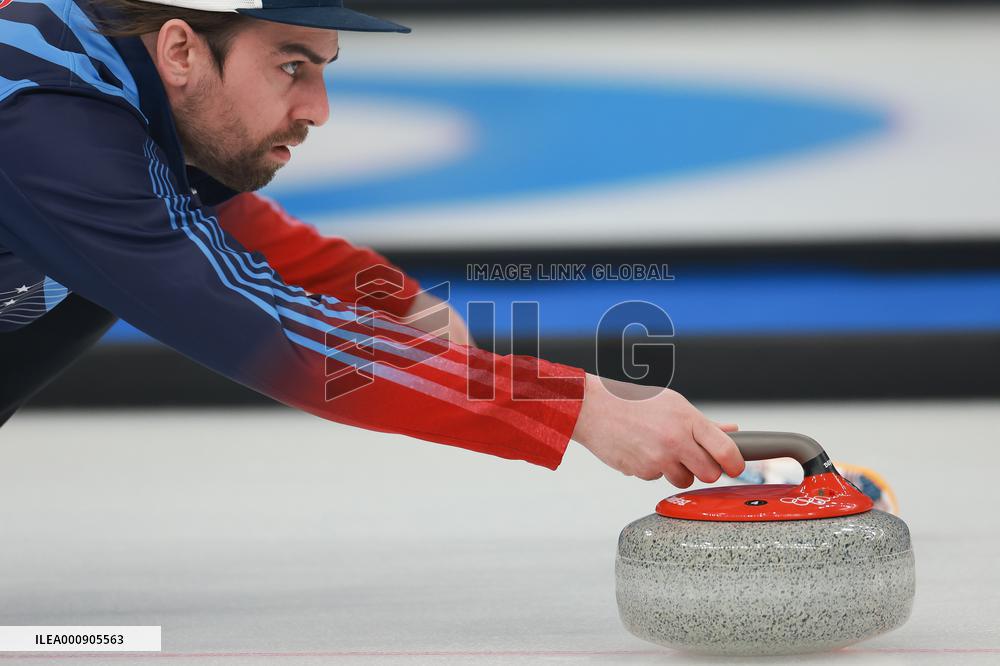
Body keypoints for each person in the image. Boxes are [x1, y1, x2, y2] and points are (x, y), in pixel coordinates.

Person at [0, 0, 744, 488]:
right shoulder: (46, 129)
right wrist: (581, 408)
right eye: (291, 66)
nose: (318, 110)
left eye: (322, 71)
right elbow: (259, 324)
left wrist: (383, 296)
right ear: (181, 50)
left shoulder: (83, 75)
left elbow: (186, 221)